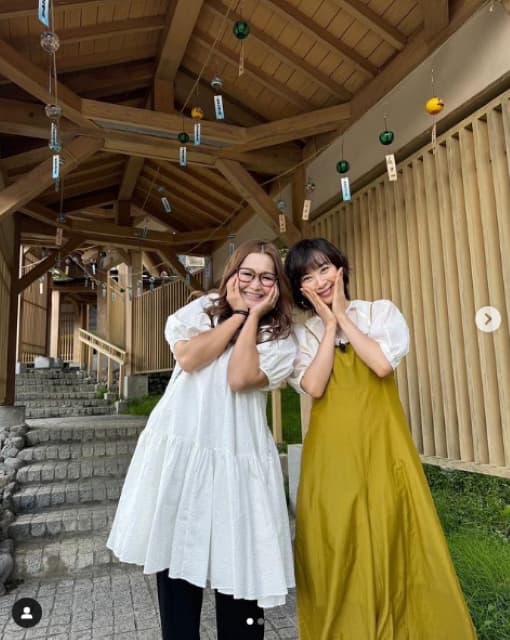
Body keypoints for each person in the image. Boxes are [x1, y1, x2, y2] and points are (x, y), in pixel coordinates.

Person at [284, 238, 477, 640]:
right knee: (337, 540)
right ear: (300, 289)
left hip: (382, 444)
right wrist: (329, 327)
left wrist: (343, 317)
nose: (319, 281)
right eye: (307, 276)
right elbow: (314, 386)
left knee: (393, 532)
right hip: (331, 455)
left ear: (340, 268)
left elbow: (381, 365)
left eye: (324, 269)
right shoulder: (303, 336)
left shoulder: (379, 312)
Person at [107, 240, 297, 640]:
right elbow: (190, 358)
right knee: (177, 560)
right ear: (232, 275)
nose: (255, 284)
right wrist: (236, 316)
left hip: (238, 454)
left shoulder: (280, 336)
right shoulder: (203, 309)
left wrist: (252, 318)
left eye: (267, 277)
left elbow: (240, 377)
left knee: (242, 567)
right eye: (247, 274)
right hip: (183, 448)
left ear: (277, 284)